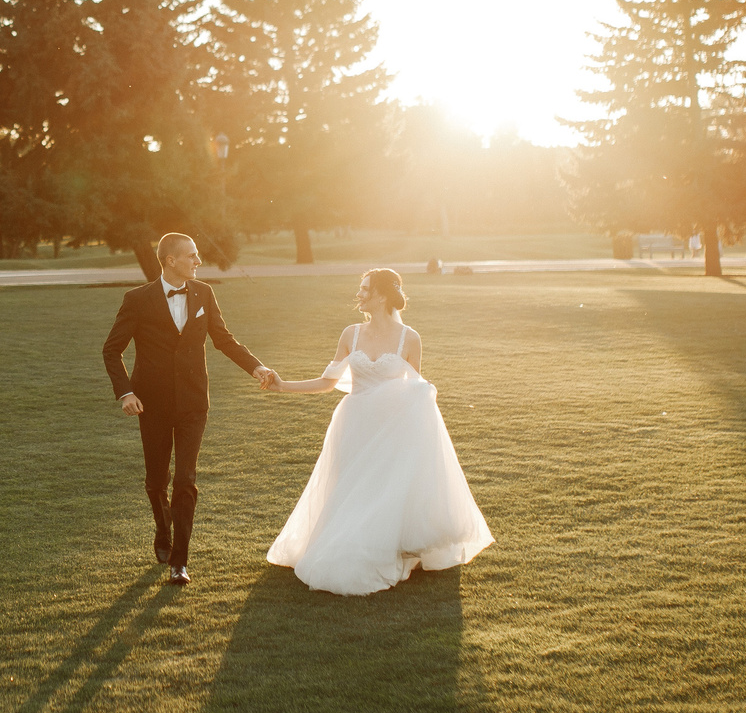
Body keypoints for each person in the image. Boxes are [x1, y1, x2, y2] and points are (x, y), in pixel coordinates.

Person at [262, 267, 493, 595]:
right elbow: (328, 382)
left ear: (382, 295)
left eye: (365, 289)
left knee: (384, 489)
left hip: (393, 429)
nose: (358, 294)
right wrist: (282, 386)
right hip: (354, 423)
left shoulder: (409, 338)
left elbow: (417, 392)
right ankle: (348, 543)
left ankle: (388, 545)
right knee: (352, 487)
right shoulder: (350, 334)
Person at [101, 232, 279, 585]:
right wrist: (126, 393)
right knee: (156, 481)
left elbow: (223, 338)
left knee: (185, 479)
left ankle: (179, 562)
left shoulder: (204, 293)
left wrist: (256, 366)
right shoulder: (137, 299)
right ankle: (162, 530)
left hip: (194, 403)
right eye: (192, 256)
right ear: (170, 260)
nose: (199, 261)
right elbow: (111, 349)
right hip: (150, 403)